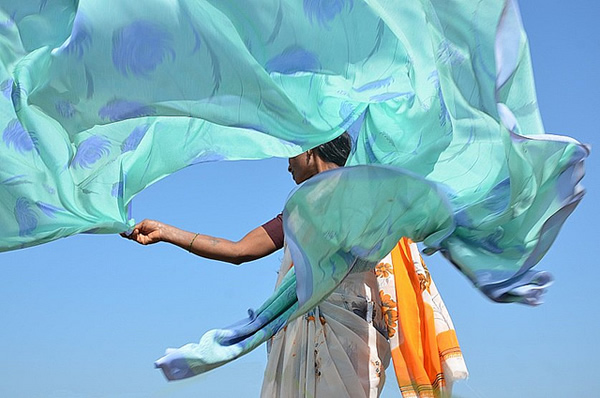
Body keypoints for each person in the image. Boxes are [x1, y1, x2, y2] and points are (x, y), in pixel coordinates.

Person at [124, 132, 467, 397]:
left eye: (290, 153)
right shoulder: (298, 215)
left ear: (310, 150)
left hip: (353, 342)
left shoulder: (369, 199)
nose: (287, 164)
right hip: (302, 340)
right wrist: (166, 232)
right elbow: (240, 250)